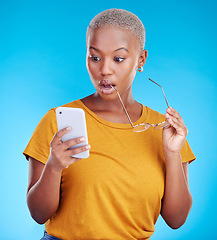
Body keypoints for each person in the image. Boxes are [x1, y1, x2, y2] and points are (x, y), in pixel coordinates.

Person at [24, 9, 196, 240]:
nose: (104, 70)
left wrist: (173, 153)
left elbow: (176, 220)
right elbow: (38, 213)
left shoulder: (165, 129)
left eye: (118, 58)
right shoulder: (58, 120)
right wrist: (54, 166)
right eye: (95, 57)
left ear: (141, 59)